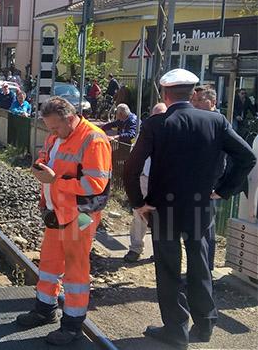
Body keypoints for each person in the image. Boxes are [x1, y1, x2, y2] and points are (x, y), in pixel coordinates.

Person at [123, 69, 256, 349]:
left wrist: (139, 203)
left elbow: (132, 168)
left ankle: (176, 329)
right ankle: (205, 325)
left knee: (169, 270)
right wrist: (222, 190)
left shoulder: (156, 124)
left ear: (165, 93)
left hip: (165, 209)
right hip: (200, 208)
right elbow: (247, 157)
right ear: (193, 92)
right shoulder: (216, 121)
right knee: (201, 267)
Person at [16, 97, 112, 346]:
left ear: (70, 119)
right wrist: (40, 170)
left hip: (81, 216)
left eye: (56, 127)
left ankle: (72, 325)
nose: (52, 132)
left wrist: (54, 181)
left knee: (75, 268)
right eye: (49, 128)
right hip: (57, 212)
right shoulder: (56, 136)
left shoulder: (94, 138)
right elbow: (48, 162)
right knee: (49, 262)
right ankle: (45, 308)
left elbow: (95, 184)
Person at [123, 102, 167, 263]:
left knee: (163, 218)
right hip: (144, 178)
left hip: (163, 182)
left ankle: (160, 251)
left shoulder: (173, 135)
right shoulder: (145, 135)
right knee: (139, 215)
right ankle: (135, 248)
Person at [190, 87, 225, 272]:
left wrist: (219, 187)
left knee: (205, 233)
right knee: (198, 232)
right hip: (197, 186)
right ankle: (199, 272)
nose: (194, 105)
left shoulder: (219, 123)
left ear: (211, 102)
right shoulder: (202, 121)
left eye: (198, 101)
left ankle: (205, 273)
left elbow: (223, 160)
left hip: (208, 188)